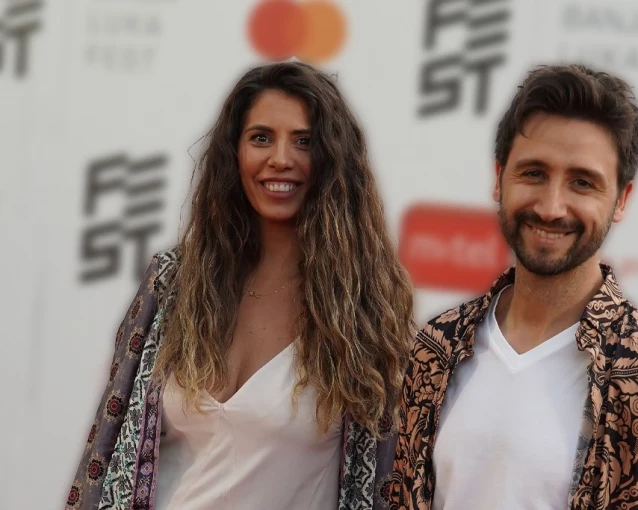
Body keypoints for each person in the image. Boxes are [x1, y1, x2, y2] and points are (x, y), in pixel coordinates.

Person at [67, 61, 414, 510]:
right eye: (261, 138)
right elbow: (105, 449)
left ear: (332, 157)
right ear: (234, 152)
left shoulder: (362, 308)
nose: (281, 158)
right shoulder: (174, 284)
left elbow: (387, 481)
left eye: (304, 141)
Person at [389, 64, 638, 509]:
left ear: (621, 199)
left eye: (582, 182)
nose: (550, 207)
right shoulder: (436, 347)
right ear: (499, 178)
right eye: (534, 173)